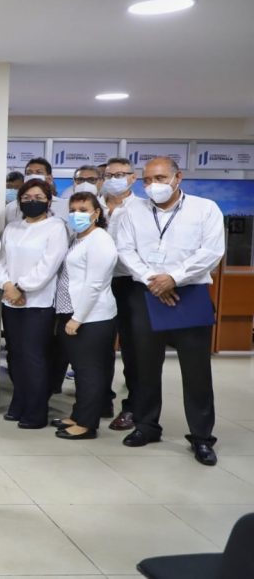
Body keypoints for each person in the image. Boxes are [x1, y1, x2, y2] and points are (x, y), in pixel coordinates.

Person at [116, 157, 224, 466]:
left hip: (189, 293)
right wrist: (154, 280)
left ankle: (202, 437)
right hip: (146, 292)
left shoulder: (205, 209)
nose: (153, 185)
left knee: (196, 372)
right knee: (145, 367)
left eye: (160, 178)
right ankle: (147, 426)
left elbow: (212, 252)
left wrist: (173, 278)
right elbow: (125, 250)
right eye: (148, 180)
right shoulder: (132, 211)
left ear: (178, 177)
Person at [0, 179, 69, 429]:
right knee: (15, 356)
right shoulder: (12, 228)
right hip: (11, 301)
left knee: (34, 357)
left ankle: (36, 411)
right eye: (26, 198)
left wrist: (21, 286)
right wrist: (7, 285)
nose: (32, 202)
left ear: (48, 201)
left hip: (38, 302)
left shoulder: (56, 227)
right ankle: (19, 401)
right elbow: (1, 262)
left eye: (38, 197)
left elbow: (49, 265)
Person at [51, 192, 118, 440]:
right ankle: (78, 415)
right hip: (72, 310)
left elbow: (94, 283)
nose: (76, 215)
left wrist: (78, 318)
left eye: (83, 210)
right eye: (73, 210)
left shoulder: (100, 239)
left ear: (96, 213)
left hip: (91, 316)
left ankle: (87, 424)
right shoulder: (78, 238)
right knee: (80, 369)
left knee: (90, 371)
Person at [103, 157, 142, 431]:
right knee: (97, 348)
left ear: (132, 178)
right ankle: (99, 400)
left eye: (120, 174)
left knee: (133, 350)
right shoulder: (92, 206)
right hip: (97, 283)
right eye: (109, 175)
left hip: (130, 283)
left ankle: (133, 408)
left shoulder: (142, 208)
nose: (114, 179)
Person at [5, 158, 68, 225]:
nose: (33, 176)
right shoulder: (10, 208)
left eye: (39, 173)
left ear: (49, 178)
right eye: (29, 173)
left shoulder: (64, 206)